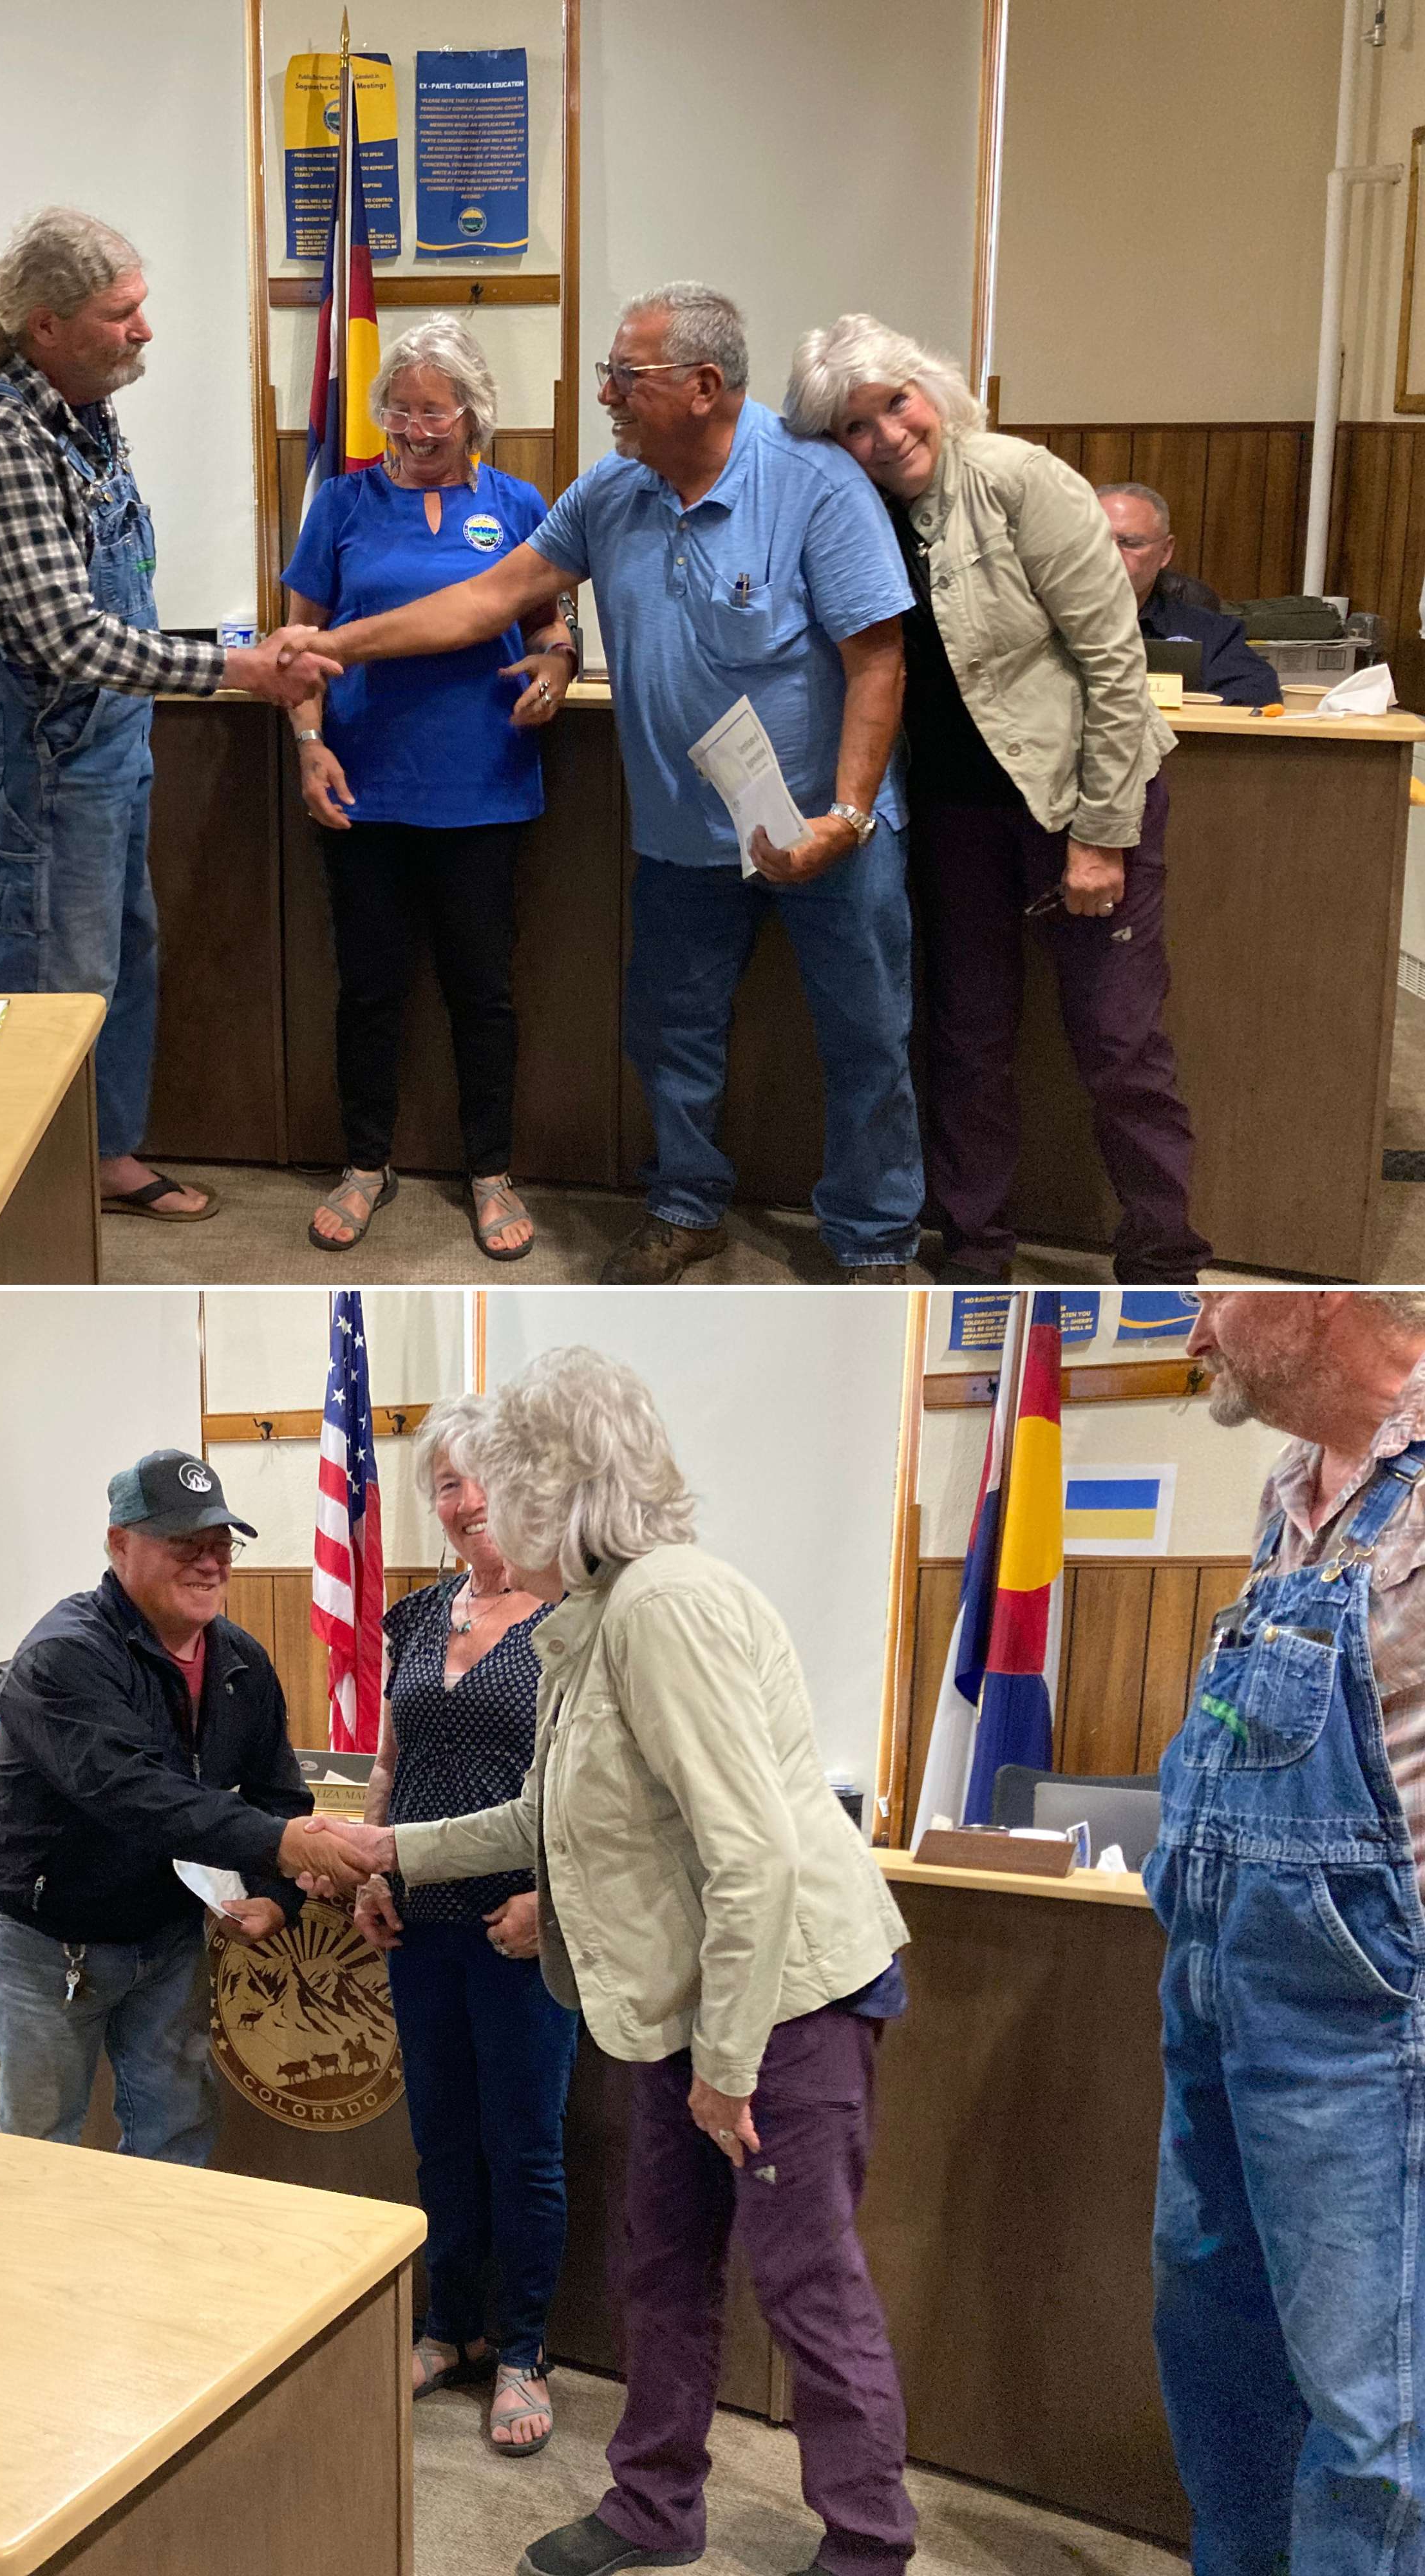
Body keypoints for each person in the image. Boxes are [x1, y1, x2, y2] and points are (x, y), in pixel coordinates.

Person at [295, 1349, 917, 2576]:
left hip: (782, 2003)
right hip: (693, 2004)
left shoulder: (664, 1609)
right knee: (663, 2264)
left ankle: (871, 2545)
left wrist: (728, 2069)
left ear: (554, 1489)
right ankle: (653, 2510)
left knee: (808, 2290)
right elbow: (542, 1817)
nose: (472, 1508)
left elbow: (758, 1860)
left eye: (494, 1484)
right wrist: (387, 1846)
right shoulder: (598, 1617)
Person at [281, 283, 921, 1285]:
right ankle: (686, 1207)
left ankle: (874, 1244)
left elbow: (877, 659)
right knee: (673, 1036)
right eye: (607, 373)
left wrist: (845, 814)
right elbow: (488, 599)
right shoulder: (609, 492)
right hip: (680, 834)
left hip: (821, 829)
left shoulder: (815, 484)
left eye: (627, 375)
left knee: (866, 1039)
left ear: (704, 387)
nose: (607, 394)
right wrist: (326, 647)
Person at [0, 207, 337, 1226]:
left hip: (110, 745)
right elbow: (67, 636)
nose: (144, 329)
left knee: (116, 959)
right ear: (48, 324)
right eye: (123, 312)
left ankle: (101, 1158)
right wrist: (240, 671)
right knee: (54, 982)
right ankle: (22, 1201)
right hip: (49, 759)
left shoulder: (82, 413)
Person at [790, 319, 1204, 1287]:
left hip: (1078, 797)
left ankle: (1164, 1260)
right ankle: (977, 1255)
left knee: (1116, 1044)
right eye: (856, 425)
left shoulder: (1021, 478)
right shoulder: (855, 516)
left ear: (931, 390)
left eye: (897, 401)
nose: (888, 433)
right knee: (968, 1042)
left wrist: (1102, 837)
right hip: (954, 817)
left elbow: (1112, 662)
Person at [1153, 1292, 1425, 2576]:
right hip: (1215, 1989)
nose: (1198, 1320)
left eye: (1223, 1294)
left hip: (1362, 2022)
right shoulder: (1288, 1490)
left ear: (1320, 1297)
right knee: (1219, 2352)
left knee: (1372, 2418)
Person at [278, 316, 573, 1261]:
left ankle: (490, 1173)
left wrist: (556, 671)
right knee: (369, 989)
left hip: (482, 784)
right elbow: (301, 644)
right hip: (365, 783)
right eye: (399, 411)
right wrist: (308, 743)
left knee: (481, 991)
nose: (412, 429)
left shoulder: (522, 501)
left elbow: (551, 631)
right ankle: (367, 1165)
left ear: (473, 414)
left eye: (432, 413)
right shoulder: (342, 504)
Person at [0, 1448, 321, 2165]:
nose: (210, 1563)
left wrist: (280, 1895)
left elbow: (280, 1790)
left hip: (166, 1938)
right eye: (186, 1544)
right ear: (119, 1543)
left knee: (177, 2129)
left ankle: (160, 2276)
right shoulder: (63, 1656)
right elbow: (138, 1795)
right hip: (45, 1939)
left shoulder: (240, 1660)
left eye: (221, 1546)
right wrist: (286, 1844)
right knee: (41, 2144)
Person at [341, 1394, 577, 2459]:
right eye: (447, 1481)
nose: (467, 1499)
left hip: (521, 1923)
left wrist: (557, 1902)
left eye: (484, 1477)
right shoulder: (418, 1616)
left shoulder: (574, 1616)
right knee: (440, 2139)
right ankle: (449, 2329)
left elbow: (591, 1790)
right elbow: (392, 1761)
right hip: (419, 1917)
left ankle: (522, 2350)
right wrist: (365, 1869)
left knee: (522, 2146)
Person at [1095, 484, 1283, 709]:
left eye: (1130, 543)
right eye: (1096, 539)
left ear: (1165, 552)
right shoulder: (1043, 620)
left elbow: (1257, 700)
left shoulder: (1209, 633)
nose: (1112, 554)